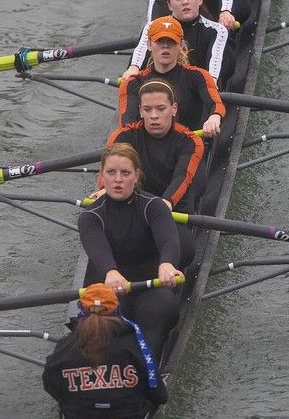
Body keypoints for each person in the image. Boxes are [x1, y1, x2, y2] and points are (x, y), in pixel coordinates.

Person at [78, 143, 183, 361]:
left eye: (125, 173)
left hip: (152, 286)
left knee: (157, 311)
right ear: (101, 176)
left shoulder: (153, 206)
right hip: (112, 287)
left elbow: (169, 241)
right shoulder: (90, 217)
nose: (118, 179)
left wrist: (167, 263)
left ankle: (147, 371)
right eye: (111, 172)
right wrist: (110, 271)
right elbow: (97, 249)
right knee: (102, 320)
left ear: (136, 176)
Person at [95, 79, 205, 267]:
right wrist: (105, 188)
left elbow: (182, 176)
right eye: (147, 109)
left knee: (185, 250)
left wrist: (164, 203)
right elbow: (110, 171)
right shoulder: (123, 136)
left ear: (174, 109)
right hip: (133, 207)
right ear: (140, 111)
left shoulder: (189, 140)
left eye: (161, 109)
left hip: (172, 209)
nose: (154, 115)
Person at [42, 283, 167, 419]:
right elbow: (159, 395)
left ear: (81, 310)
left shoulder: (65, 346)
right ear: (117, 310)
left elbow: (50, 384)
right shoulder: (136, 343)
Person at [118, 16, 226, 136]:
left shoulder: (198, 76)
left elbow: (216, 105)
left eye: (171, 41)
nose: (165, 46)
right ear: (149, 44)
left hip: (189, 143)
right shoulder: (134, 83)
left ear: (180, 45)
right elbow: (126, 125)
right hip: (147, 147)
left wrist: (214, 117)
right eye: (159, 41)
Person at [123, 0, 233, 85]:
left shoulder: (217, 30)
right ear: (169, 5)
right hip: (160, 91)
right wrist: (133, 68)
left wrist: (212, 81)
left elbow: (214, 69)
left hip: (198, 89)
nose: (185, 1)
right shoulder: (153, 26)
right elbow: (139, 55)